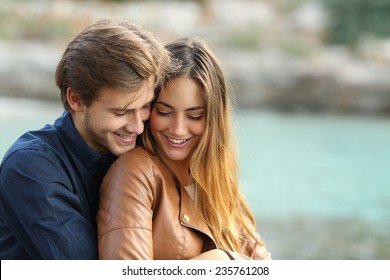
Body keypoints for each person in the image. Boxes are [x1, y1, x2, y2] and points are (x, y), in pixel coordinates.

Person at [0, 19, 172, 259]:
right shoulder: (29, 169)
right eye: (120, 112)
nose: (137, 127)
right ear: (76, 100)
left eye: (145, 106)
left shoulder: (142, 148)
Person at [97, 38, 271, 260]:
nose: (178, 130)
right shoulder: (135, 172)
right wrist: (215, 261)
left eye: (194, 115)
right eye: (164, 112)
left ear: (214, 119)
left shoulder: (218, 183)